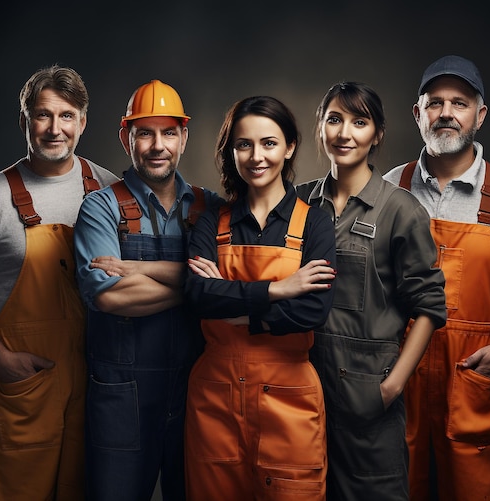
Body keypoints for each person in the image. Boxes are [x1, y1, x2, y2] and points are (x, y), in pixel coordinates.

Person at [383, 55, 490, 501]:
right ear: (417, 114)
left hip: (473, 374)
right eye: (435, 102)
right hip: (398, 371)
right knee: (395, 485)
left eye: (459, 103)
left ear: (479, 115)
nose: (446, 113)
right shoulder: (389, 187)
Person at [0, 65, 119, 500]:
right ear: (25, 121)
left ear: (82, 122)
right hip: (26, 382)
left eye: (66, 115)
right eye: (42, 115)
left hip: (99, 378)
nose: (54, 128)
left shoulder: (113, 190)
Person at [295, 82, 447, 501]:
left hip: (367, 399)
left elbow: (430, 307)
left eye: (359, 122)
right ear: (321, 128)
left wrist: (391, 388)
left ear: (377, 133)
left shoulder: (401, 210)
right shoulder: (298, 203)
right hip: (300, 392)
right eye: (335, 120)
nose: (345, 133)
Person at [73, 79, 222, 501]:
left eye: (169, 132)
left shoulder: (209, 207)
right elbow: (109, 296)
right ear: (126, 138)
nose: (158, 145)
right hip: (121, 400)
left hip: (196, 392)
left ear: (184, 137)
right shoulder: (100, 208)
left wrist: (138, 271)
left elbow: (232, 281)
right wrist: (197, 287)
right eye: (145, 132)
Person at [183, 95, 337, 501]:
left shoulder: (315, 223)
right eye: (243, 144)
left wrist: (237, 311)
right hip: (215, 399)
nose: (256, 156)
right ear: (231, 151)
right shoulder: (210, 223)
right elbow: (199, 296)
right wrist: (278, 289)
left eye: (269, 143)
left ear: (289, 148)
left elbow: (312, 310)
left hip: (290, 398)